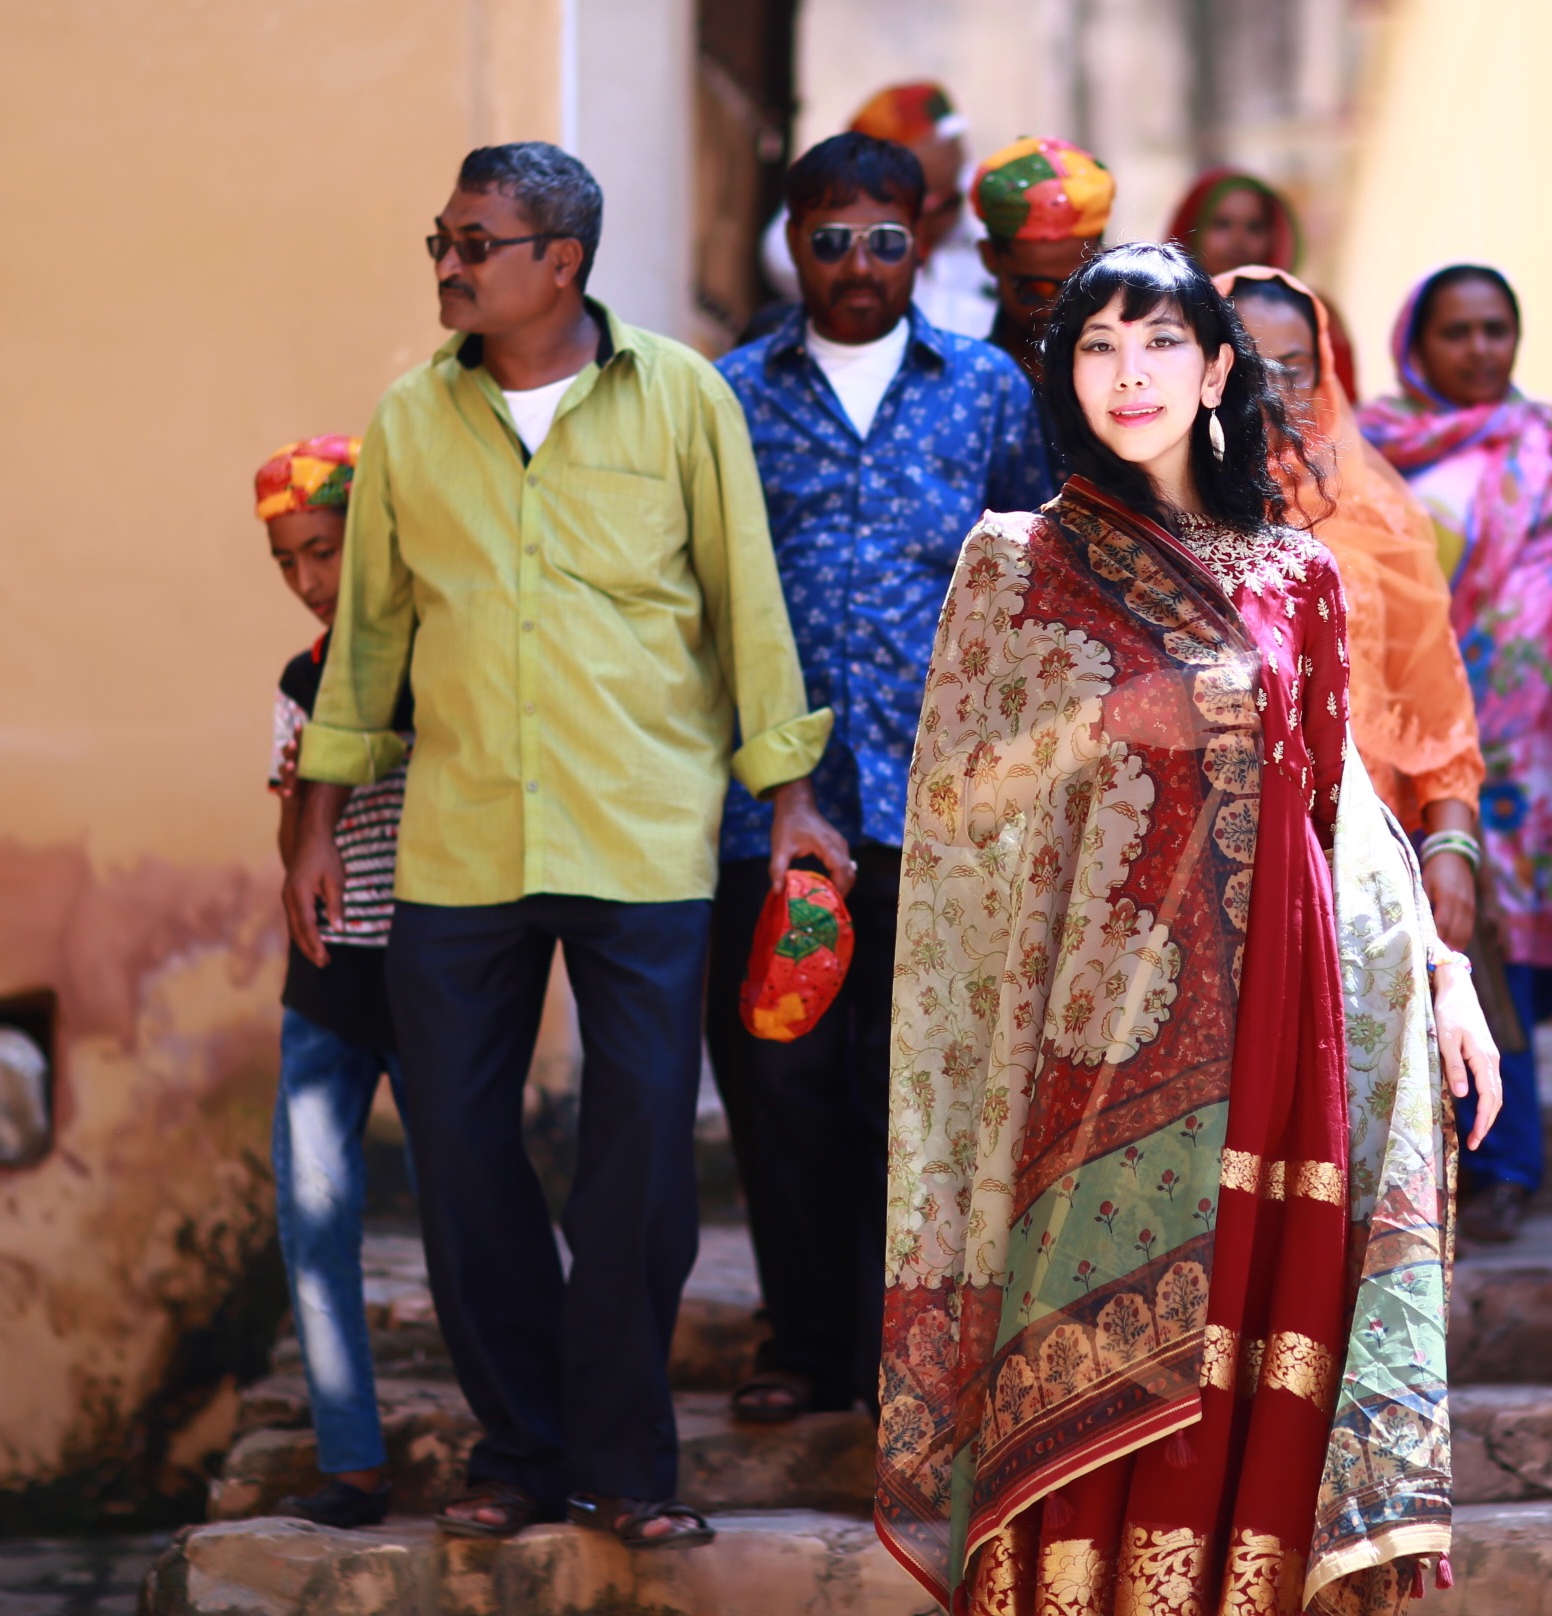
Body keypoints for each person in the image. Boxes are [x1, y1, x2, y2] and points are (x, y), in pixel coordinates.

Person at [875, 242, 1503, 1615]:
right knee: (1088, 1368)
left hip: (1280, 1027)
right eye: (1097, 345)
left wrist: (1442, 974)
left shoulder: (1297, 578)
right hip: (1105, 1038)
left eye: (1160, 342)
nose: (1130, 372)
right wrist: (1116, 720)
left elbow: (1339, 818)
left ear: (1217, 371)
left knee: (1262, 1359)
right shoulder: (1014, 565)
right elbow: (956, 808)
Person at [285, 142, 848, 1547]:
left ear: (562, 263)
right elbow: (366, 647)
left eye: (476, 242)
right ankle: (517, 1450)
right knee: (463, 1159)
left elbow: (744, 602)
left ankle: (622, 1467)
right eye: (442, 238)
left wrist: (788, 796)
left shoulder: (680, 401)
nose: (448, 265)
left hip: (643, 836)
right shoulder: (411, 421)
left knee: (640, 1163)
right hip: (457, 847)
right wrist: (311, 827)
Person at [708, 132, 1054, 1427]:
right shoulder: (727, 398)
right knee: (782, 1078)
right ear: (792, 243)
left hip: (943, 808)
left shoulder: (985, 395)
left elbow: (1036, 589)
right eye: (828, 238)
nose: (856, 265)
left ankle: (921, 1348)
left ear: (927, 239)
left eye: (884, 239)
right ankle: (806, 1345)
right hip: (772, 809)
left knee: (920, 1082)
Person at [1361, 265, 1552, 1242]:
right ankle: (1499, 1159)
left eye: (1495, 330)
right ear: (1415, 345)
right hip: (1424, 736)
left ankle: (1492, 1150)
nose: (1479, 350)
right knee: (1466, 948)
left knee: (1518, 951)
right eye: (1456, 333)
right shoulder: (1372, 452)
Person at [1219, 265, 1484, 952]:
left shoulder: (1379, 519)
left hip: (1357, 851)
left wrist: (1452, 847)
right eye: (1252, 364)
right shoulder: (1165, 513)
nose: (1274, 391)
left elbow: (1436, 706)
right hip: (1213, 854)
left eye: (1295, 369)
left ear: (1325, 376)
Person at [257, 435, 411, 1531]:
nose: (312, 582)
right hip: (328, 976)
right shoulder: (300, 679)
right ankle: (350, 1457)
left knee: (476, 1205)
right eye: (288, 563)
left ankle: (537, 1426)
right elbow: (288, 834)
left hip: (444, 972)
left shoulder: (435, 656)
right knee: (312, 1216)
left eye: (325, 551)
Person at [762, 83, 996, 339]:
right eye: (924, 202)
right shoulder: (818, 224)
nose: (941, 211)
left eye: (948, 200)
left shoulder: (980, 212)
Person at [1172, 170, 1359, 400]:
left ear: (1274, 235)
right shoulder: (1168, 315)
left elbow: (1343, 405)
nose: (1238, 239)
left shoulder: (1310, 311)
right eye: (1222, 224)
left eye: (1254, 227)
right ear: (1191, 229)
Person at [973, 134, 1112, 367]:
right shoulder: (967, 385)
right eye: (1033, 290)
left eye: (1075, 288)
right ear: (990, 257)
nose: (1054, 310)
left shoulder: (1127, 377)